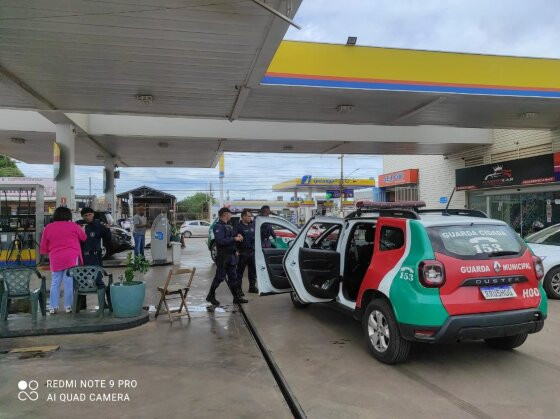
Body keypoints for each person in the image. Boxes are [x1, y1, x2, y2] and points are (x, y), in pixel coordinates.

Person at [39, 206, 86, 314]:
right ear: (68, 215)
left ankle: (53, 307)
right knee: (69, 281)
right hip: (71, 256)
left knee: (55, 282)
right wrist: (82, 229)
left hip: (55, 257)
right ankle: (68, 306)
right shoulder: (73, 225)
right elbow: (83, 238)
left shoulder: (49, 227)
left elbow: (43, 246)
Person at [206, 207, 248, 306]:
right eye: (230, 213)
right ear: (225, 214)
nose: (231, 215)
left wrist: (238, 238)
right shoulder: (218, 226)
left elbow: (233, 237)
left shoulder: (228, 225)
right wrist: (235, 238)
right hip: (223, 257)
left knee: (233, 277)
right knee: (220, 277)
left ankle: (236, 298)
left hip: (231, 256)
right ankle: (211, 295)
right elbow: (220, 241)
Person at [76, 208, 113, 308]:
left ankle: (103, 303)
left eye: (89, 214)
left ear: (93, 214)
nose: (88, 217)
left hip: (95, 256)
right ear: (82, 216)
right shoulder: (78, 225)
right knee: (81, 281)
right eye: (85, 215)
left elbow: (108, 238)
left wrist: (108, 228)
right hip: (82, 257)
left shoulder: (98, 225)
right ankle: (81, 305)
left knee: (98, 280)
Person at [234, 209, 258, 294]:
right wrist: (236, 250)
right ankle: (238, 289)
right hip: (242, 252)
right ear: (243, 216)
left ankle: (252, 287)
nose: (250, 217)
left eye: (250, 216)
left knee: (252, 271)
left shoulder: (251, 226)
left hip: (251, 252)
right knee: (240, 272)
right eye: (248, 216)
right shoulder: (238, 226)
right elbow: (234, 240)